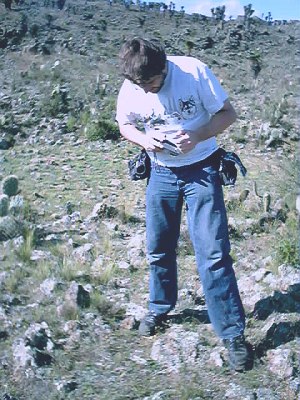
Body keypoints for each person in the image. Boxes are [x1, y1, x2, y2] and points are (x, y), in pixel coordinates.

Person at [116, 37, 250, 372]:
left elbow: (227, 113)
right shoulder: (133, 84)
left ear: (164, 68)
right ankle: (159, 307)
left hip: (202, 171)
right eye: (139, 84)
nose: (146, 91)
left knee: (213, 253)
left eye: (151, 83)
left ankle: (233, 334)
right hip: (160, 172)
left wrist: (197, 136)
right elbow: (125, 124)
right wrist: (146, 140)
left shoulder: (192, 72)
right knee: (158, 247)